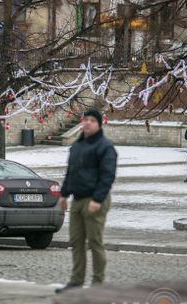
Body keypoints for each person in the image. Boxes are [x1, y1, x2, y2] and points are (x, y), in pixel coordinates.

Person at [55, 109, 118, 293]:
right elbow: (70, 172)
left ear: (99, 124)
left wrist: (97, 199)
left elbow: (108, 176)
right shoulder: (76, 146)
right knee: (76, 241)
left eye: (92, 120)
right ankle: (76, 281)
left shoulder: (105, 147)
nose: (88, 123)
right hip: (78, 199)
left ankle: (98, 283)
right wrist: (64, 194)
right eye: (86, 120)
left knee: (95, 241)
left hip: (95, 200)